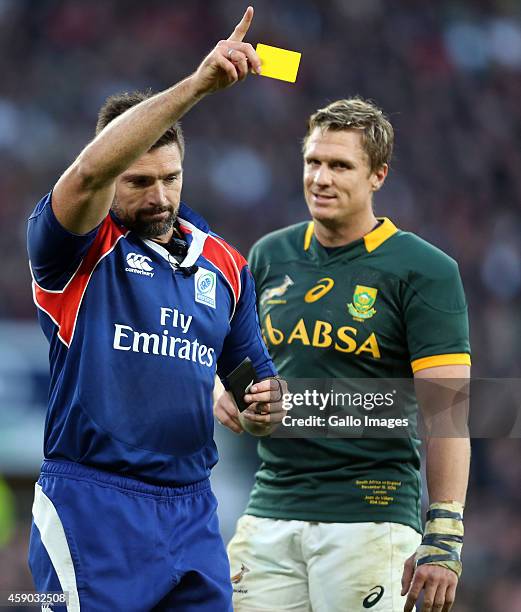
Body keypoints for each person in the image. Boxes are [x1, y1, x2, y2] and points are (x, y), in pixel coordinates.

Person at [26, 7, 283, 611]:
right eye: (139, 181)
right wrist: (198, 85)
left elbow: (257, 387)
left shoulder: (225, 266)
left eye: (171, 177)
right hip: (93, 506)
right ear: (114, 177)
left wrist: (266, 409)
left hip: (193, 510)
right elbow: (90, 170)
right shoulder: (73, 248)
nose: (160, 196)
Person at [215, 98, 471, 612]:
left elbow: (446, 411)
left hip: (370, 517)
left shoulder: (426, 270)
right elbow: (236, 362)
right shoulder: (269, 254)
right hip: (269, 511)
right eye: (313, 162)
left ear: (378, 175)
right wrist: (229, 394)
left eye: (340, 165)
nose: (321, 178)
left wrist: (444, 533)